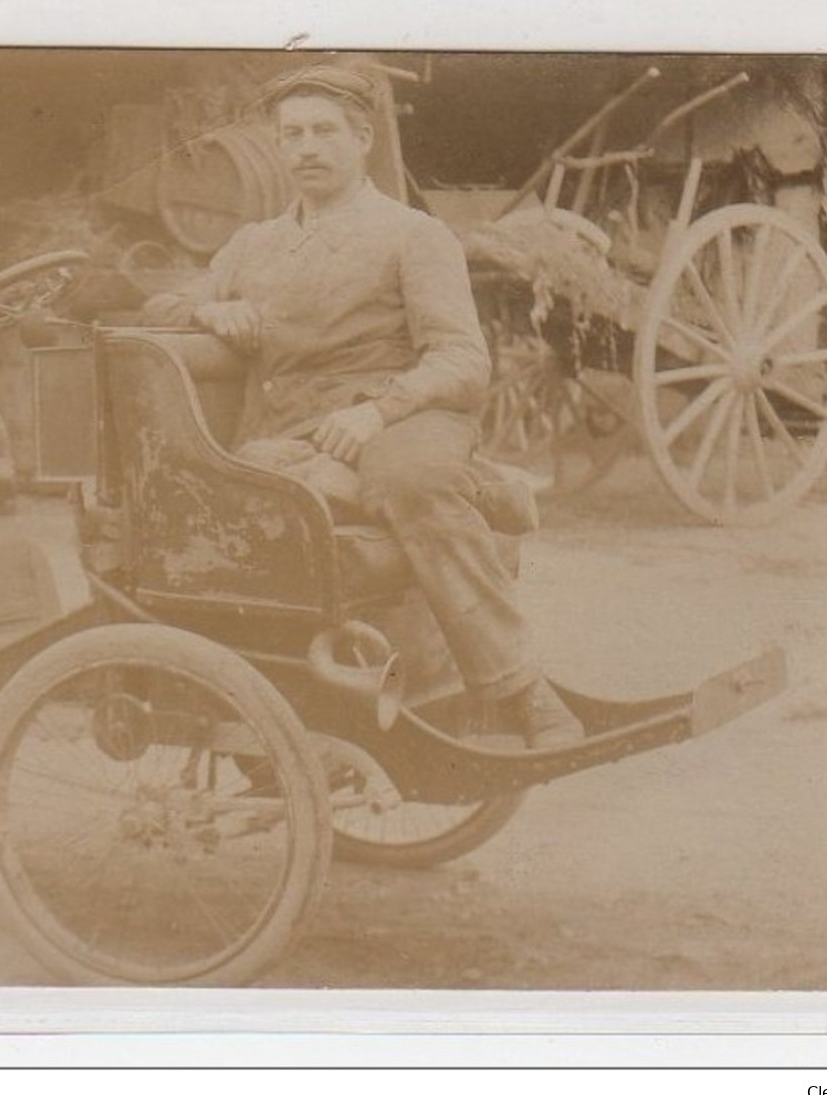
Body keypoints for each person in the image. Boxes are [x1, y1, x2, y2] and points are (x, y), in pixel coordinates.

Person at [142, 64, 582, 747]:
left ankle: (519, 686)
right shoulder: (254, 245)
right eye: (291, 135)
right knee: (266, 489)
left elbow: (462, 359)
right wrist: (209, 309)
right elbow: (160, 305)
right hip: (292, 432)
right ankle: (308, 708)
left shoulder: (411, 235)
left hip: (404, 415)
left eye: (323, 131)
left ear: (362, 138)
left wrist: (376, 411)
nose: (306, 149)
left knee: (408, 484)